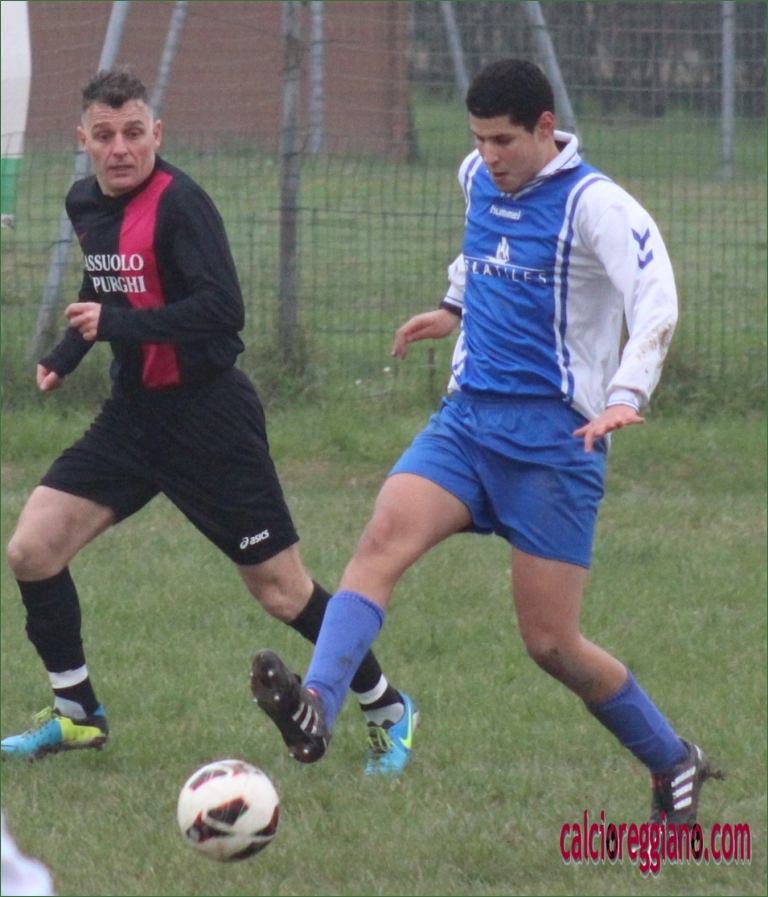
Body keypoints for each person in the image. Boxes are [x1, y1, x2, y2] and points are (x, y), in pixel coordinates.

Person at [250, 58, 722, 823]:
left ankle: (673, 758)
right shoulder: (477, 175)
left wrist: (625, 395)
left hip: (555, 444)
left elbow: (656, 297)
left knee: (551, 643)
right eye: (478, 139)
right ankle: (316, 705)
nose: (489, 155)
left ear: (546, 128)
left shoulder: (596, 205)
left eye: (504, 140)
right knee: (380, 541)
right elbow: (483, 250)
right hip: (467, 422)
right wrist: (452, 306)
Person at [0, 66, 417, 776]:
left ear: (157, 133)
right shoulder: (85, 201)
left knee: (281, 590)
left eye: (134, 132)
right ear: (84, 140)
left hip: (209, 418)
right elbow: (106, 277)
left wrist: (115, 325)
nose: (121, 148)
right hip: (133, 418)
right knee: (32, 550)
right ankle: (77, 714)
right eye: (105, 135)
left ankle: (389, 707)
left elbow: (224, 310)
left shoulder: (182, 204)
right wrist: (69, 351)